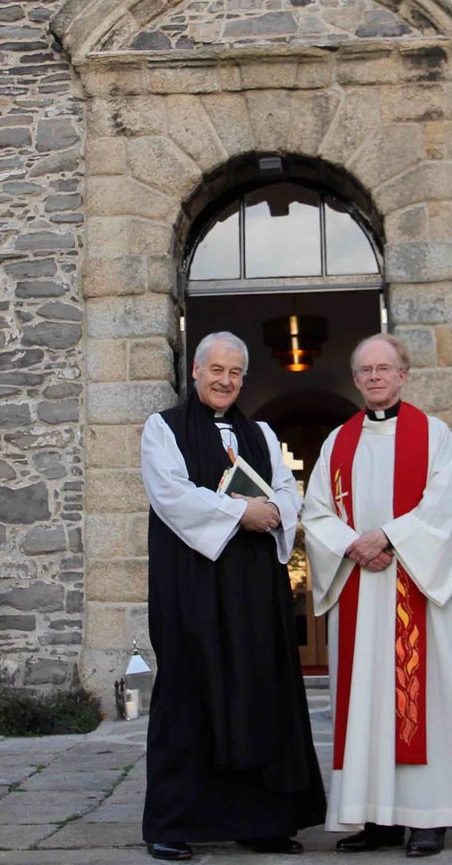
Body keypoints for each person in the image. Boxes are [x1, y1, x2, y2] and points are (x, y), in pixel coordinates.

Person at [300, 334, 452, 858]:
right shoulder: (337, 443)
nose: (374, 376)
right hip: (364, 592)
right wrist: (354, 545)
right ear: (357, 379)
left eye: (383, 368)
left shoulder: (432, 435)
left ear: (403, 374)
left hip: (418, 587)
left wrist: (387, 537)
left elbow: (446, 509)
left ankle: (428, 816)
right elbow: (316, 511)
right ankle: (378, 818)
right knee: (367, 701)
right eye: (365, 369)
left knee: (427, 700)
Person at [140, 331, 328, 861]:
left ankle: (262, 820)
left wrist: (275, 513)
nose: (225, 380)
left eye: (236, 373)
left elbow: (287, 490)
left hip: (252, 588)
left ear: (243, 378)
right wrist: (240, 513)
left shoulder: (263, 433)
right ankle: (174, 824)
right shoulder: (163, 428)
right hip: (191, 584)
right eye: (216, 369)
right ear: (196, 370)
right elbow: (170, 494)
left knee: (258, 690)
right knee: (188, 692)